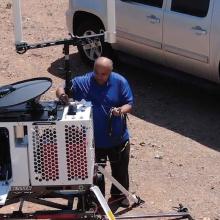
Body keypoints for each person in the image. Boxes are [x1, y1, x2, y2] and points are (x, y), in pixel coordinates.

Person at [56, 57, 134, 207]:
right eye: (96, 72)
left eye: (103, 74)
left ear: (110, 72)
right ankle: (97, 201)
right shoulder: (82, 82)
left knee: (120, 170)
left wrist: (120, 110)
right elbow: (61, 88)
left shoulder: (120, 82)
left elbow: (129, 103)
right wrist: (62, 96)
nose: (99, 76)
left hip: (117, 138)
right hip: (93, 141)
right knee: (95, 173)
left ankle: (118, 197)